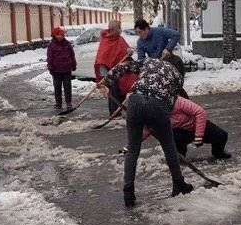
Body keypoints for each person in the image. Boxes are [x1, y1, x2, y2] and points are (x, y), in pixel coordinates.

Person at [102, 56, 193, 207]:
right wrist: (156, 123)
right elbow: (170, 105)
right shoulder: (177, 77)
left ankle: (128, 193)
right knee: (169, 146)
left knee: (132, 150)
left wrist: (107, 82)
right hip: (158, 105)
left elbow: (123, 67)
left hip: (135, 101)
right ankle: (179, 184)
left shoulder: (150, 61)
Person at [160, 95, 230, 161]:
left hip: (196, 126)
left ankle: (218, 153)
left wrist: (199, 136)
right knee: (175, 140)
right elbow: (150, 127)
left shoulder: (179, 101)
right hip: (179, 132)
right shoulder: (156, 110)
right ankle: (179, 159)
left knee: (221, 135)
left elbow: (200, 113)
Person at [94, 20, 131, 112]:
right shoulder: (106, 40)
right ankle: (114, 112)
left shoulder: (120, 38)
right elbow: (102, 58)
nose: (120, 30)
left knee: (121, 89)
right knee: (113, 91)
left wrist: (129, 52)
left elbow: (125, 50)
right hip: (109, 72)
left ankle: (119, 110)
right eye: (119, 28)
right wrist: (105, 76)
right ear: (114, 29)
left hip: (120, 71)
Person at [46, 26, 77, 112]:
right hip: (56, 70)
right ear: (54, 35)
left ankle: (69, 103)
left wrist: (73, 65)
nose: (60, 36)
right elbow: (49, 57)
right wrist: (50, 67)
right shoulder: (51, 45)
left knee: (67, 87)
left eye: (62, 35)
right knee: (57, 87)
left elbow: (72, 55)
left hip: (67, 69)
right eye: (58, 35)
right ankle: (58, 103)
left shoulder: (67, 44)